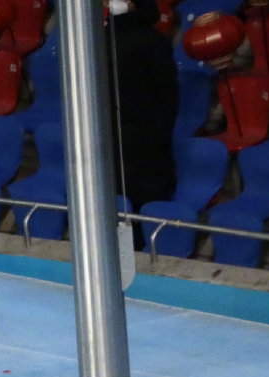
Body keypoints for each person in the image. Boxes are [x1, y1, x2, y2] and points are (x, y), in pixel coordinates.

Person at [107, 0, 178, 218]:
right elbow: (169, 96)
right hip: (145, 135)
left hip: (126, 132)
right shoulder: (156, 40)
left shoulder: (105, 40)